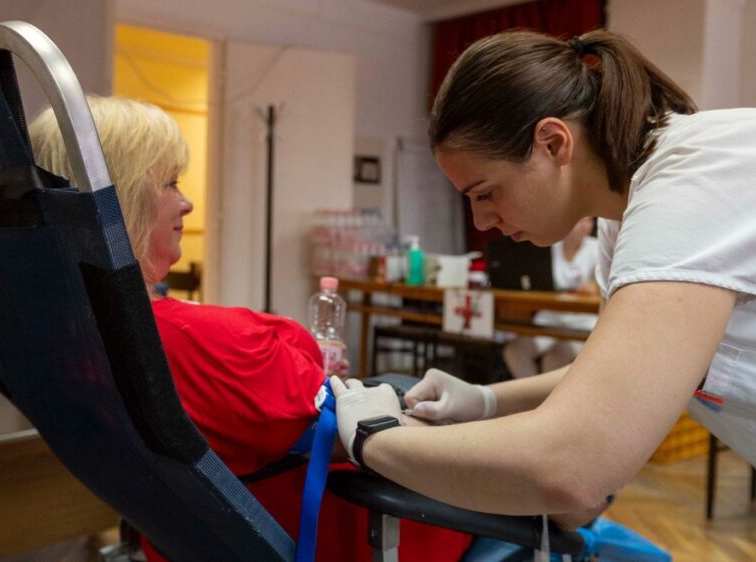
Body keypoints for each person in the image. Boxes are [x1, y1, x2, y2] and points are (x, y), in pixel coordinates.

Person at [330, 29, 756, 561]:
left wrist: (375, 439)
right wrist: (486, 400)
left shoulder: (695, 184)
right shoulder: (625, 221)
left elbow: (573, 470)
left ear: (553, 142)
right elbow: (624, 381)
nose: (482, 221)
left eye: (486, 192)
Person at [29, 96, 471, 562]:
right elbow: (359, 435)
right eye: (171, 183)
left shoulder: (63, 336)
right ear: (121, 202)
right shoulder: (198, 342)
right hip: (347, 535)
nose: (187, 203)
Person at [502, 216, 598, 378]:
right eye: (580, 220)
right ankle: (532, 392)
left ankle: (549, 395)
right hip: (550, 316)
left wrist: (594, 287)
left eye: (589, 221)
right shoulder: (548, 247)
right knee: (514, 352)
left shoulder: (597, 248)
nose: (585, 225)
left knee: (553, 360)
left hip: (582, 320)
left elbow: (604, 285)